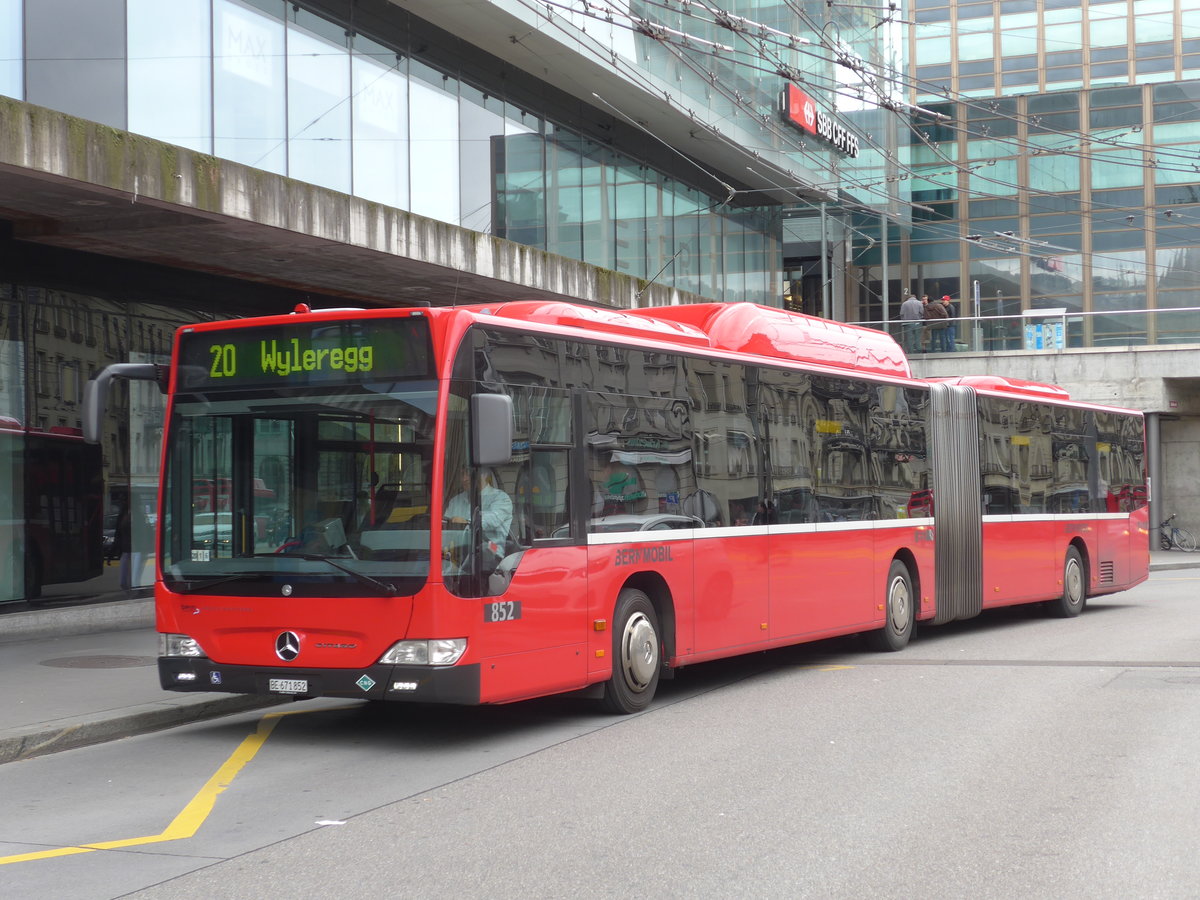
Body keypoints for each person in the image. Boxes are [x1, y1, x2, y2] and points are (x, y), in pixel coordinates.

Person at [446, 469, 513, 570]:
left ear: (484, 475)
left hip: (492, 552)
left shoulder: (500, 498)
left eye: (468, 474)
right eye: (462, 474)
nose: (464, 479)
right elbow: (445, 526)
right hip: (457, 554)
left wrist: (467, 521)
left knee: (484, 549)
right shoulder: (456, 501)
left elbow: (492, 520)